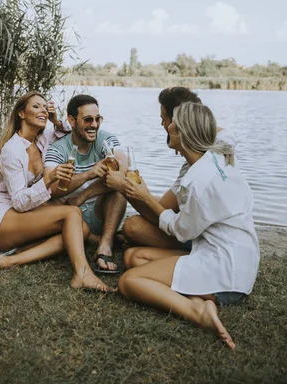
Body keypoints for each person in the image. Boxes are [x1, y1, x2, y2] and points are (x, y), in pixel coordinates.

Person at [117, 101, 260, 349]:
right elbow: (224, 131)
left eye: (172, 122)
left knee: (128, 282)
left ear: (183, 133)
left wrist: (144, 197)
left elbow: (181, 230)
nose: (167, 125)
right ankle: (199, 296)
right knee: (134, 256)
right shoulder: (216, 156)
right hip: (234, 255)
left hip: (226, 270)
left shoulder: (200, 182)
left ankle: (197, 312)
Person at [0, 90, 113, 292]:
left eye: (45, 106)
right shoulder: (12, 150)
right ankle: (82, 273)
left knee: (82, 229)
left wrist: (54, 120)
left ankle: (11, 260)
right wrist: (49, 179)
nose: (42, 109)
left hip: (26, 212)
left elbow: (70, 130)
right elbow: (19, 202)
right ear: (21, 114)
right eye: (36, 106)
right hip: (6, 217)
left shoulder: (42, 140)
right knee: (72, 214)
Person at [110, 87, 236, 250]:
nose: (162, 124)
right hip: (197, 227)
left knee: (133, 227)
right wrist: (187, 143)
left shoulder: (201, 167)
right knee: (141, 222)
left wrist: (123, 187)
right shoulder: (222, 141)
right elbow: (164, 207)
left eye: (164, 119)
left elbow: (160, 216)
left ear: (178, 122)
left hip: (206, 241)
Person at [44, 94, 127, 274]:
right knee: (54, 205)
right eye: (88, 119)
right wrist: (88, 174)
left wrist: (84, 195)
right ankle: (93, 238)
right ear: (72, 121)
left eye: (98, 119)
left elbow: (123, 172)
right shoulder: (58, 148)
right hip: (72, 216)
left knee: (119, 189)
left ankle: (104, 245)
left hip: (98, 209)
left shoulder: (105, 139)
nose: (95, 125)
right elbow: (50, 190)